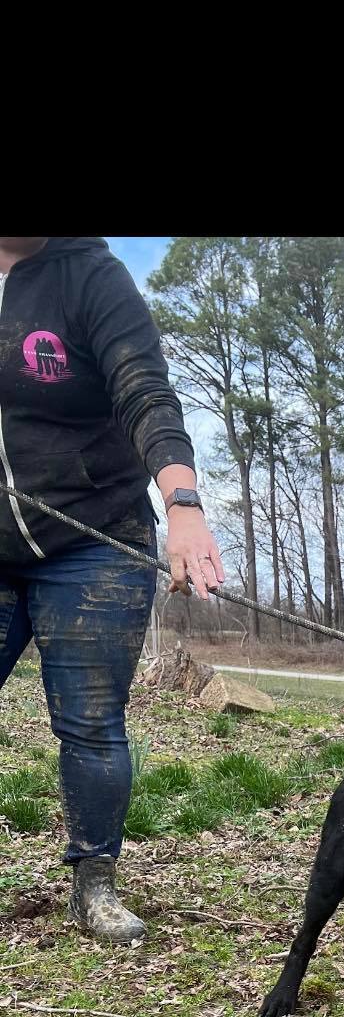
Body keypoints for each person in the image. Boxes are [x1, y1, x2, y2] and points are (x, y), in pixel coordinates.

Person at [0, 235, 225, 944]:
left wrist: (182, 505)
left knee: (92, 724)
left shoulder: (91, 275)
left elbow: (145, 390)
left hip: (94, 538)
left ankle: (94, 883)